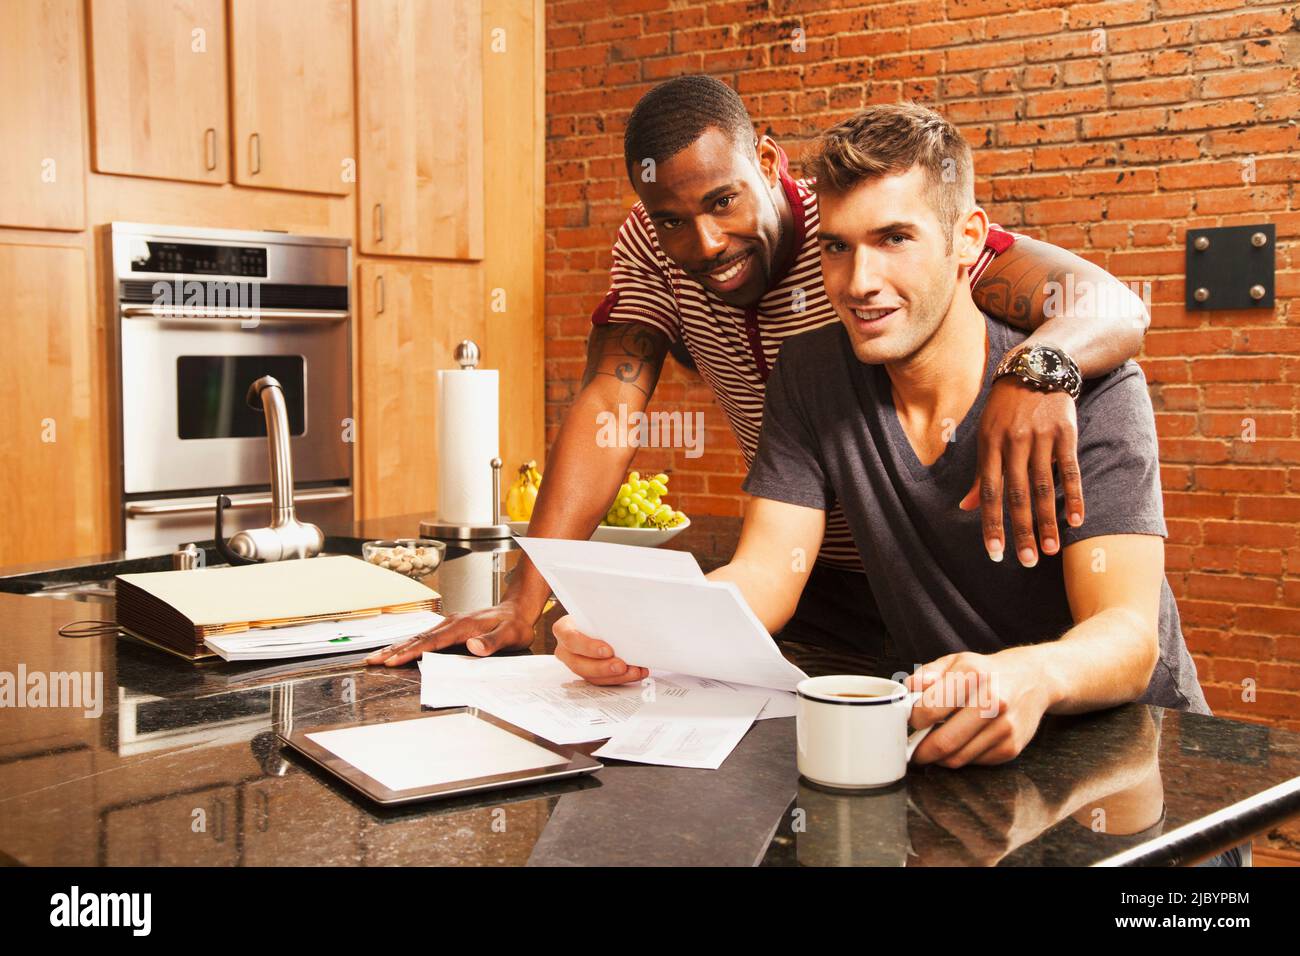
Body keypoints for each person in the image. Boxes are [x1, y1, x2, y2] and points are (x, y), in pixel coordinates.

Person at [367, 75, 1150, 670]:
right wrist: (526, 602)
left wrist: (1040, 367)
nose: (704, 242)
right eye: (673, 219)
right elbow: (612, 404)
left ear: (768, 164)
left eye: (723, 201)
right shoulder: (658, 254)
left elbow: (1103, 303)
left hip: (935, 563)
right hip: (796, 572)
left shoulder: (852, 227)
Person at [551, 102, 1210, 771]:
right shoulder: (809, 377)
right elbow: (767, 575)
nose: (860, 284)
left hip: (1134, 758)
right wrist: (640, 632)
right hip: (952, 746)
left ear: (967, 239)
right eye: (837, 247)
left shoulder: (1087, 389)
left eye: (894, 238)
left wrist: (1033, 676)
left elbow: (1129, 639)